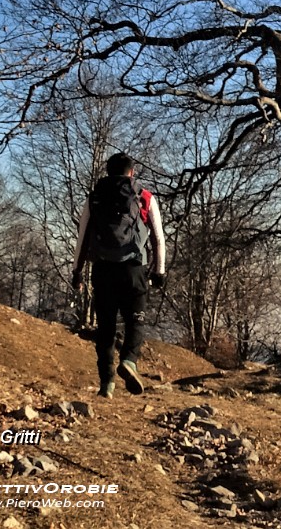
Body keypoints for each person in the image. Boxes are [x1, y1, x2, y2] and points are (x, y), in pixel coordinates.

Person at [71, 152, 166, 398]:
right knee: (136, 320)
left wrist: (77, 271)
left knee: (106, 328)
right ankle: (130, 361)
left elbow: (82, 238)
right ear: (131, 172)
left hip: (103, 270)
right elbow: (158, 237)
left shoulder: (94, 198)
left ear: (107, 171)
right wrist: (159, 270)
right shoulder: (144, 197)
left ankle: (107, 383)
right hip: (133, 269)